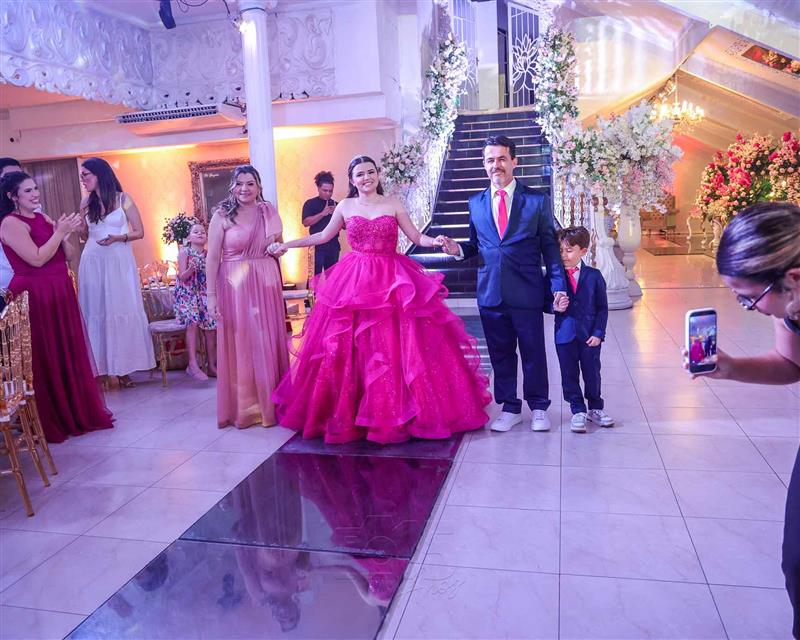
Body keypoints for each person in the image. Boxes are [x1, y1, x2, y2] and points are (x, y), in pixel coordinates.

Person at [268, 155, 490, 444]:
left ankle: (405, 412)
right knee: (353, 345)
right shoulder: (345, 206)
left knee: (398, 344)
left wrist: (436, 242)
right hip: (356, 280)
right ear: (352, 179)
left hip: (392, 278)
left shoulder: (392, 202)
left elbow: (416, 237)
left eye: (370, 172)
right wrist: (287, 245)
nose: (366, 178)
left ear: (377, 174)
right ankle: (354, 413)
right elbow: (322, 236)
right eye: (360, 174)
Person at [682, 202, 800, 638]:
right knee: (797, 561)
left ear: (792, 279)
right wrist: (730, 368)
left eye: (748, 298)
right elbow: (791, 363)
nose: (747, 306)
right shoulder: (791, 307)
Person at [439, 135, 568, 433]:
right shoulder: (475, 202)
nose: (495, 165)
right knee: (500, 354)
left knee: (533, 352)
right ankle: (510, 407)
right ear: (484, 164)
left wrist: (558, 286)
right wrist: (457, 250)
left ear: (514, 161)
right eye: (489, 160)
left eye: (501, 159)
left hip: (526, 290)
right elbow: (475, 245)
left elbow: (550, 249)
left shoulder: (536, 200)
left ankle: (538, 406)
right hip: (490, 292)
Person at [0, 171, 113, 442]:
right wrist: (59, 231)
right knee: (45, 353)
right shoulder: (10, 223)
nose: (35, 194)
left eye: (35, 189)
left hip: (58, 289)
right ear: (12, 196)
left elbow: (69, 255)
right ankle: (51, 418)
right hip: (34, 293)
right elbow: (36, 259)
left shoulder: (42, 218)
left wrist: (62, 235)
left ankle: (74, 412)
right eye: (28, 191)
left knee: (66, 348)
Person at [206, 164, 289, 429]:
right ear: (232, 186)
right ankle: (245, 408)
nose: (244, 188)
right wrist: (211, 295)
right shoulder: (221, 215)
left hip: (265, 281)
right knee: (242, 342)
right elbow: (212, 257)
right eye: (239, 183)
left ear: (258, 186)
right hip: (235, 285)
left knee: (266, 340)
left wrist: (278, 249)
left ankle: (271, 405)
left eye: (250, 183)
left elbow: (278, 243)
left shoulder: (268, 211)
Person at [78, 157, 155, 387]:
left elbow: (139, 231)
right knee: (96, 309)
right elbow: (84, 235)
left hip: (118, 259)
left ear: (99, 174)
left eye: (86, 175)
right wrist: (79, 225)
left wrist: (118, 238)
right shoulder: (86, 202)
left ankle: (123, 367)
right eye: (82, 176)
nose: (83, 179)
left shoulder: (124, 199)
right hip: (93, 259)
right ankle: (98, 367)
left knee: (120, 307)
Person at [551, 226, 612, 432]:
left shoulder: (594, 276)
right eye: (560, 250)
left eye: (569, 250)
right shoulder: (554, 277)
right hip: (564, 336)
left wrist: (598, 333)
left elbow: (602, 308)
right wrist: (554, 306)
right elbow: (544, 302)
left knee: (592, 373)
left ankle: (595, 408)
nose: (564, 255)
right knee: (568, 374)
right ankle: (577, 409)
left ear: (583, 251)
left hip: (589, 336)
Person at [174, 222, 217, 381]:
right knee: (192, 323)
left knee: (210, 326)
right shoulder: (184, 251)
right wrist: (191, 269)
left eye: (202, 232)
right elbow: (182, 277)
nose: (200, 234)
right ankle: (192, 364)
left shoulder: (208, 254)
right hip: (187, 293)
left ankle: (211, 365)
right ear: (189, 237)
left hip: (204, 292)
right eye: (196, 232)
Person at [301, 171, 340, 275]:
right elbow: (305, 222)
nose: (328, 193)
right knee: (313, 278)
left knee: (333, 278)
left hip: (333, 246)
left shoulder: (337, 205)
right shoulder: (310, 203)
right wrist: (323, 214)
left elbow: (345, 226)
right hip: (316, 247)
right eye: (325, 190)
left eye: (330, 191)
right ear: (318, 188)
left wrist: (337, 214)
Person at [0, 158, 24, 313]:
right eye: (9, 177)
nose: (16, 182)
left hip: (27, 283)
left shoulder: (31, 208)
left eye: (20, 176)